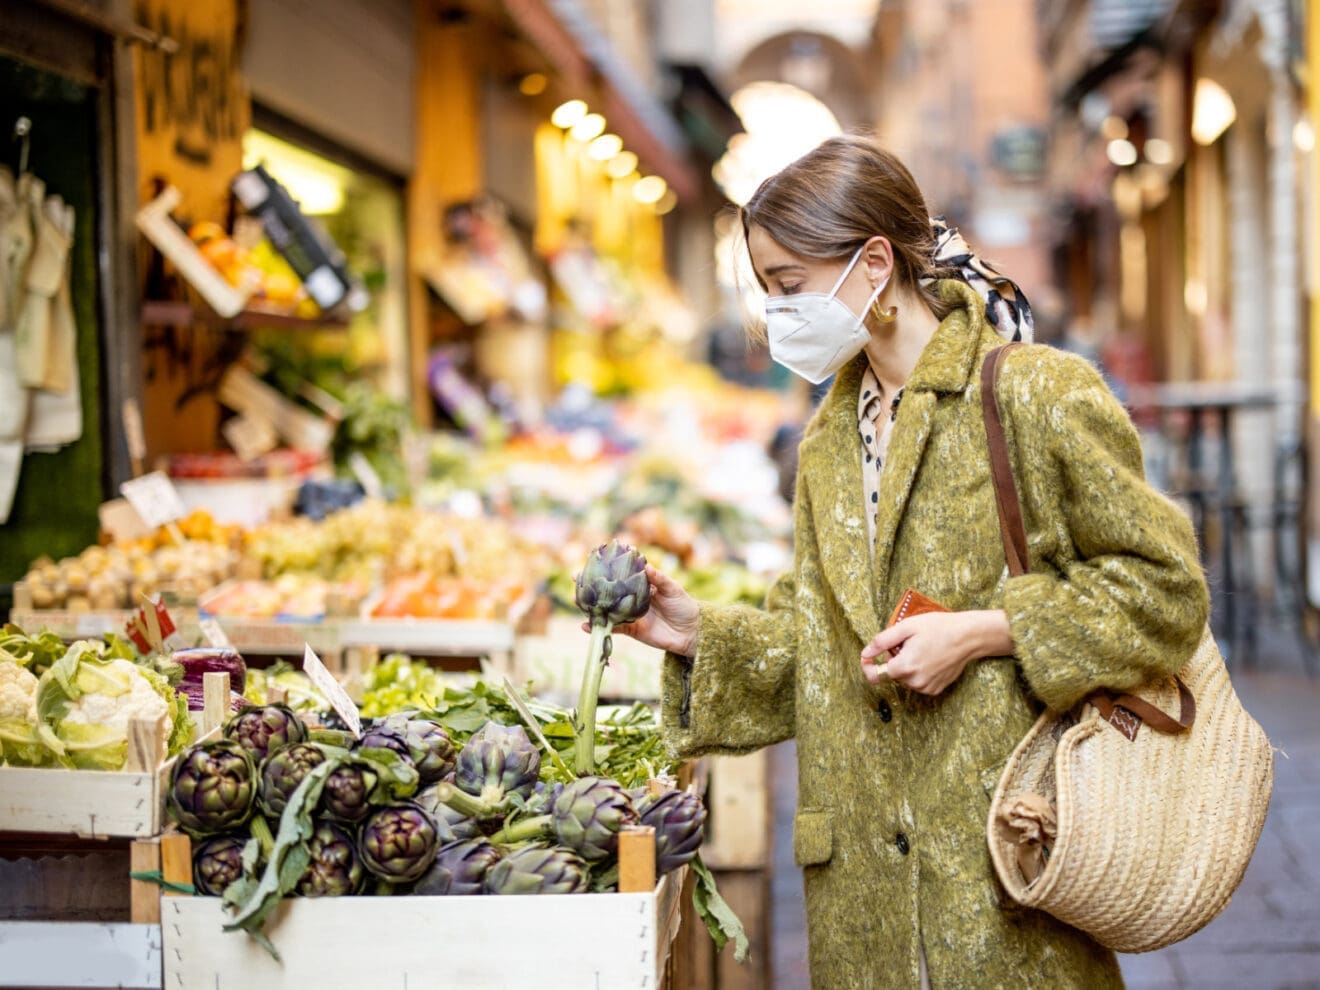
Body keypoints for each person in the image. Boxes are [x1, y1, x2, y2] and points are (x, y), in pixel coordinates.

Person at [612, 136, 1209, 989]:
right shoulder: (826, 437)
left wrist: (986, 633)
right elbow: (820, 642)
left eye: (789, 287)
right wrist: (698, 632)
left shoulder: (1036, 393)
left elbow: (1166, 594)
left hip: (1004, 864)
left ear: (874, 262)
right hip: (864, 895)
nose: (779, 314)